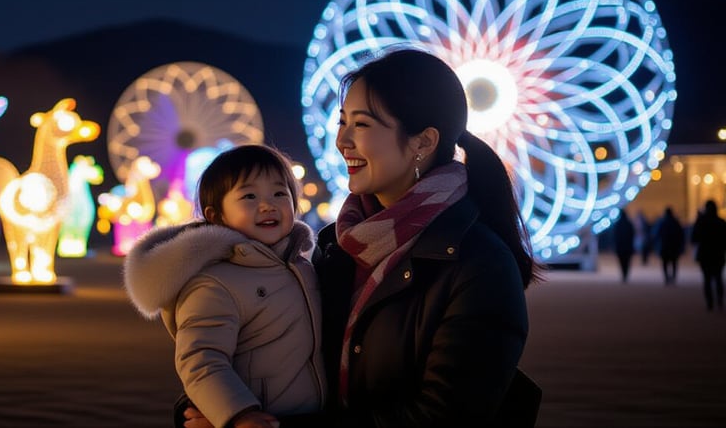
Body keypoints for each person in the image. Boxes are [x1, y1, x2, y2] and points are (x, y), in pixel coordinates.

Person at [188, 48, 542, 427]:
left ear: (422, 142)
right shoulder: (332, 248)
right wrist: (210, 409)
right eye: (342, 122)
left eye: (362, 125)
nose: (342, 140)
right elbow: (259, 351)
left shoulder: (479, 266)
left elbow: (441, 416)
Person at [123, 143, 325, 428]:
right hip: (258, 419)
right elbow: (201, 359)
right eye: (249, 196)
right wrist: (237, 413)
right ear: (216, 216)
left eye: (280, 193)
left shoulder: (304, 266)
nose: (267, 205)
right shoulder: (213, 283)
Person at [691, 200, 726, 311]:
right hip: (718, 254)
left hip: (705, 254)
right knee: (718, 278)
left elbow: (694, 238)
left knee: (707, 279)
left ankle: (709, 302)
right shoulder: (721, 222)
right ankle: (719, 300)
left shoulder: (702, 222)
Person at [655, 207, 685, 285]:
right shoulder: (675, 222)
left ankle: (666, 277)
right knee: (674, 262)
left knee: (665, 263)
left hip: (664, 246)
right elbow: (681, 235)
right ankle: (673, 277)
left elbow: (656, 234)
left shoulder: (662, 222)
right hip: (674, 246)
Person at [612, 208, 636, 283]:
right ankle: (626, 274)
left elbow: (615, 236)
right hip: (628, 247)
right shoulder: (629, 223)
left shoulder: (617, 224)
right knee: (627, 262)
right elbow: (632, 234)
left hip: (620, 247)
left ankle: (623, 275)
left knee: (622, 262)